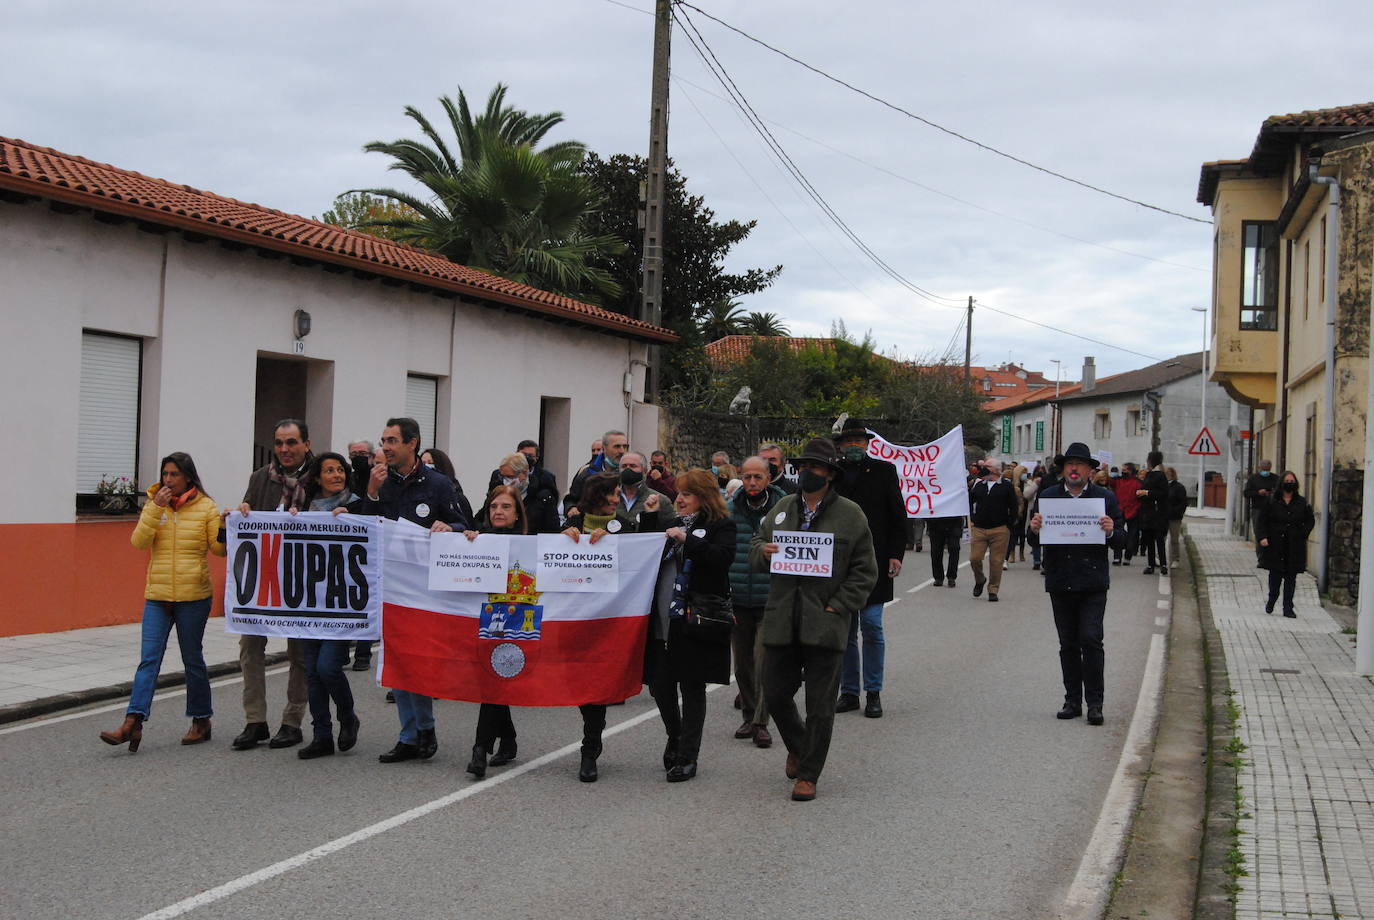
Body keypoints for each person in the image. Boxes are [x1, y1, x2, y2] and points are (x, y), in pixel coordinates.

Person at [751, 438, 878, 802]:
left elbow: (864, 571)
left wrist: (838, 606)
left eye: (815, 467)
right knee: (774, 693)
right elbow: (755, 547)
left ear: (830, 474)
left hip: (825, 622)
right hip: (782, 619)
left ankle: (808, 774)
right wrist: (764, 552)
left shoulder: (851, 514)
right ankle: (800, 745)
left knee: (821, 705)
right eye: (803, 466)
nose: (807, 472)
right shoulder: (781, 508)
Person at [357, 417, 469, 764]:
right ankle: (409, 735)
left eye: (392, 441)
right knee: (396, 662)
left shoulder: (437, 484)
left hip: (424, 590)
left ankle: (425, 729)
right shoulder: (380, 483)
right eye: (383, 440)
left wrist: (447, 526)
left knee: (415, 663)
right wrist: (372, 494)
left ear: (412, 443)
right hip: (390, 586)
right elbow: (368, 529)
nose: (386, 447)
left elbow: (466, 524)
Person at [100, 453, 225, 752]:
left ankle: (200, 719)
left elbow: (219, 550)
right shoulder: (154, 504)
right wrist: (154, 511)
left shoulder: (206, 506)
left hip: (193, 596)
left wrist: (224, 525)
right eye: (165, 474)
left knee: (192, 659)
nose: (168, 480)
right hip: (157, 596)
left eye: (174, 475)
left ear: (188, 478)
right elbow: (138, 542)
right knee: (148, 660)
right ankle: (133, 722)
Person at [562, 473, 664, 781]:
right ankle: (591, 735)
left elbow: (644, 554)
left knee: (597, 684)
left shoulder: (624, 525)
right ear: (599, 495)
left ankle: (589, 748)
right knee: (579, 683)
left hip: (609, 621)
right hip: (573, 620)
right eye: (613, 493)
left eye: (619, 493)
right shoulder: (571, 526)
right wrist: (564, 537)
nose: (617, 498)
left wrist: (625, 535)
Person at [228, 418, 312, 751]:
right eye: (278, 443)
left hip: (302, 582)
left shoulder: (319, 477)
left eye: (291, 442)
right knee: (250, 648)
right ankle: (255, 720)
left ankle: (292, 721)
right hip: (263, 579)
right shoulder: (260, 478)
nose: (284, 449)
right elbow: (249, 516)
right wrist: (243, 512)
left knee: (299, 653)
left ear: (306, 444)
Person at [1028, 442, 1126, 726]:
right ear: (1063, 469)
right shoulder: (1048, 496)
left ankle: (1095, 703)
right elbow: (1033, 538)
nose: (1073, 469)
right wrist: (1034, 529)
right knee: (1068, 643)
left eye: (1079, 464)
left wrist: (1111, 531)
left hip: (1093, 581)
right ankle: (1072, 700)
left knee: (1091, 639)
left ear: (1089, 470)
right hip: (1060, 580)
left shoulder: (1104, 498)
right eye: (1069, 464)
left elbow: (1123, 538)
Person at [648, 469, 737, 782]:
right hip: (662, 618)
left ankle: (688, 756)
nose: (679, 499)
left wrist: (688, 540)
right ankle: (675, 734)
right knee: (660, 684)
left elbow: (721, 559)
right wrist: (650, 522)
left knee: (692, 686)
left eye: (686, 494)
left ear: (704, 496)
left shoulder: (721, 526)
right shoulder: (669, 524)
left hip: (694, 618)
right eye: (678, 493)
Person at [286, 452, 362, 760]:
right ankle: (322, 734)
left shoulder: (356, 505)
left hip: (341, 601)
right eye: (329, 470)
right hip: (310, 600)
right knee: (312, 673)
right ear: (317, 478)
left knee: (328, 666)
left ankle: (347, 717)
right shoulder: (306, 509)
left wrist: (352, 519)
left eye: (340, 470)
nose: (336, 475)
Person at [831, 420, 906, 718]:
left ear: (868, 444)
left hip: (875, 558)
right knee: (846, 631)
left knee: (872, 626)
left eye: (859, 441)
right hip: (840, 563)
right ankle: (849, 692)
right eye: (848, 441)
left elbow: (897, 513)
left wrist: (896, 554)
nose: (854, 446)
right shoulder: (832, 473)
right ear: (840, 445)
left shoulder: (884, 470)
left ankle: (873, 691)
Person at [462, 485, 530, 779]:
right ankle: (509, 739)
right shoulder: (479, 540)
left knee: (495, 680)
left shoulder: (530, 543)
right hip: (484, 619)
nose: (499, 512)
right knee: (494, 680)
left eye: (505, 507)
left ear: (517, 514)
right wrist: (467, 542)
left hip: (515, 620)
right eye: (494, 507)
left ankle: (480, 749)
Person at [727, 456, 783, 748]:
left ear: (768, 478)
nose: (751, 482)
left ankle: (761, 722)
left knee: (763, 663)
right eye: (747, 477)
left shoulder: (786, 508)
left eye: (757, 477)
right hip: (738, 598)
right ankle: (748, 715)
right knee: (743, 666)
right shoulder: (729, 510)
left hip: (770, 598)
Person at [1255, 471, 1315, 618]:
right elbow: (1261, 521)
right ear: (1281, 483)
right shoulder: (1271, 501)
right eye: (1287, 480)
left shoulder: (1301, 502)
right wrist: (1262, 537)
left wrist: (1303, 533)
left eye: (1292, 481)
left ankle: (1288, 607)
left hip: (1294, 546)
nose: (1289, 483)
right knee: (1275, 577)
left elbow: (1310, 520)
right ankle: (1272, 600)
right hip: (1275, 545)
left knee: (1291, 578)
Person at [342, 439, 378, 671]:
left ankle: (363, 654)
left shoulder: (378, 478)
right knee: (345, 602)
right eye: (353, 453)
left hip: (371, 549)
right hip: (347, 547)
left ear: (372, 456)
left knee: (365, 601)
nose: (358, 457)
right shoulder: (345, 478)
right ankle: (343, 651)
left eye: (362, 453)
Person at [967, 459, 1018, 602]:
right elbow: (969, 501)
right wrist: (971, 518)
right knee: (974, 558)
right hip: (979, 528)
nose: (982, 469)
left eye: (986, 467)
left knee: (996, 561)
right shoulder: (979, 485)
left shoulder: (1006, 486)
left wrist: (1009, 524)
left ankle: (993, 589)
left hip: (1000, 529)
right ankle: (980, 579)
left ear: (995, 470)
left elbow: (1014, 506)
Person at [485, 452, 560, 534]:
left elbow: (553, 530)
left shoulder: (543, 497)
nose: (506, 481)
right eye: (503, 476)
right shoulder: (497, 492)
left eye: (510, 477)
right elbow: (481, 519)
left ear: (524, 473)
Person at [566, 429, 627, 511]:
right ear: (604, 448)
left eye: (625, 446)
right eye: (617, 446)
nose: (622, 451)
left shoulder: (632, 473)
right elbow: (571, 499)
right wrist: (571, 508)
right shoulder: (588, 473)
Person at [1136, 451, 1170, 575]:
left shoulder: (1160, 475)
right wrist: (1141, 493)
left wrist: (1147, 493)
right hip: (1148, 513)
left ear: (1151, 461)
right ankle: (1151, 565)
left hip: (1158, 514)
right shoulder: (1149, 474)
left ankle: (1163, 564)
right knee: (1149, 540)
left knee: (1159, 540)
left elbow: (1163, 494)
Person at [422, 448, 475, 524]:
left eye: (430, 463)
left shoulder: (457, 497)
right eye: (423, 463)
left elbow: (464, 525)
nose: (426, 466)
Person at [1243, 460, 1280, 565]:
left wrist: (1271, 493)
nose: (1265, 471)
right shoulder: (1253, 479)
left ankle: (1272, 557)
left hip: (1273, 509)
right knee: (1259, 533)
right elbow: (1246, 493)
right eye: (1263, 469)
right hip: (1257, 509)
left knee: (1272, 533)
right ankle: (1261, 559)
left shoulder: (1276, 479)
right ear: (1259, 468)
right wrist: (1258, 493)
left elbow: (1280, 492)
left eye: (1267, 469)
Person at [1111, 463, 1143, 566]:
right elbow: (1108, 481)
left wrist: (1137, 509)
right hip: (1119, 511)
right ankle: (1117, 557)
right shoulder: (1118, 481)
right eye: (1122, 469)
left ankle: (1128, 556)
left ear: (1130, 471)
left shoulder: (1138, 483)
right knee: (1118, 534)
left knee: (1132, 536)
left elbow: (1141, 497)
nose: (1123, 472)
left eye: (1125, 470)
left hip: (1133, 512)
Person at [926, 514, 963, 587]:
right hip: (935, 522)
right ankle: (938, 577)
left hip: (954, 522)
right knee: (936, 551)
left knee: (954, 548)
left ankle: (951, 576)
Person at [1165, 466, 1189, 562]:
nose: (1166, 476)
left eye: (1168, 474)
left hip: (1174, 518)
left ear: (1173, 475)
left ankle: (1176, 559)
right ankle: (1160, 558)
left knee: (1174, 539)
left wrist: (1175, 511)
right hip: (1163, 517)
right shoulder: (1162, 486)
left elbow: (1183, 503)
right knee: (1160, 538)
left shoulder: (1179, 487)